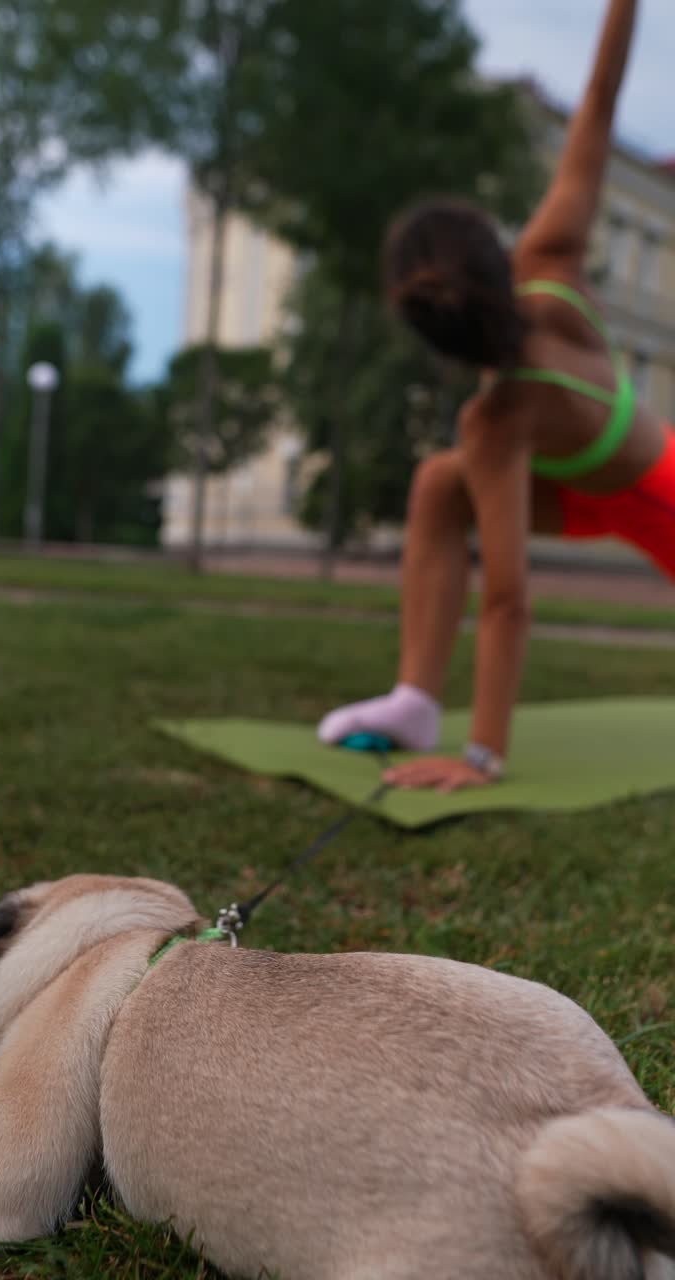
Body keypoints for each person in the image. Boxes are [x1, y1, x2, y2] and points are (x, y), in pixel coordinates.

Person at [318, 0, 665, 792]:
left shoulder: (497, 417)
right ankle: (415, 698)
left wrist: (482, 759)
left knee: (446, 475)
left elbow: (509, 599)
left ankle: (442, 721)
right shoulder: (553, 260)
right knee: (441, 481)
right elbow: (601, 104)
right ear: (495, 249)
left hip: (662, 497)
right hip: (593, 494)